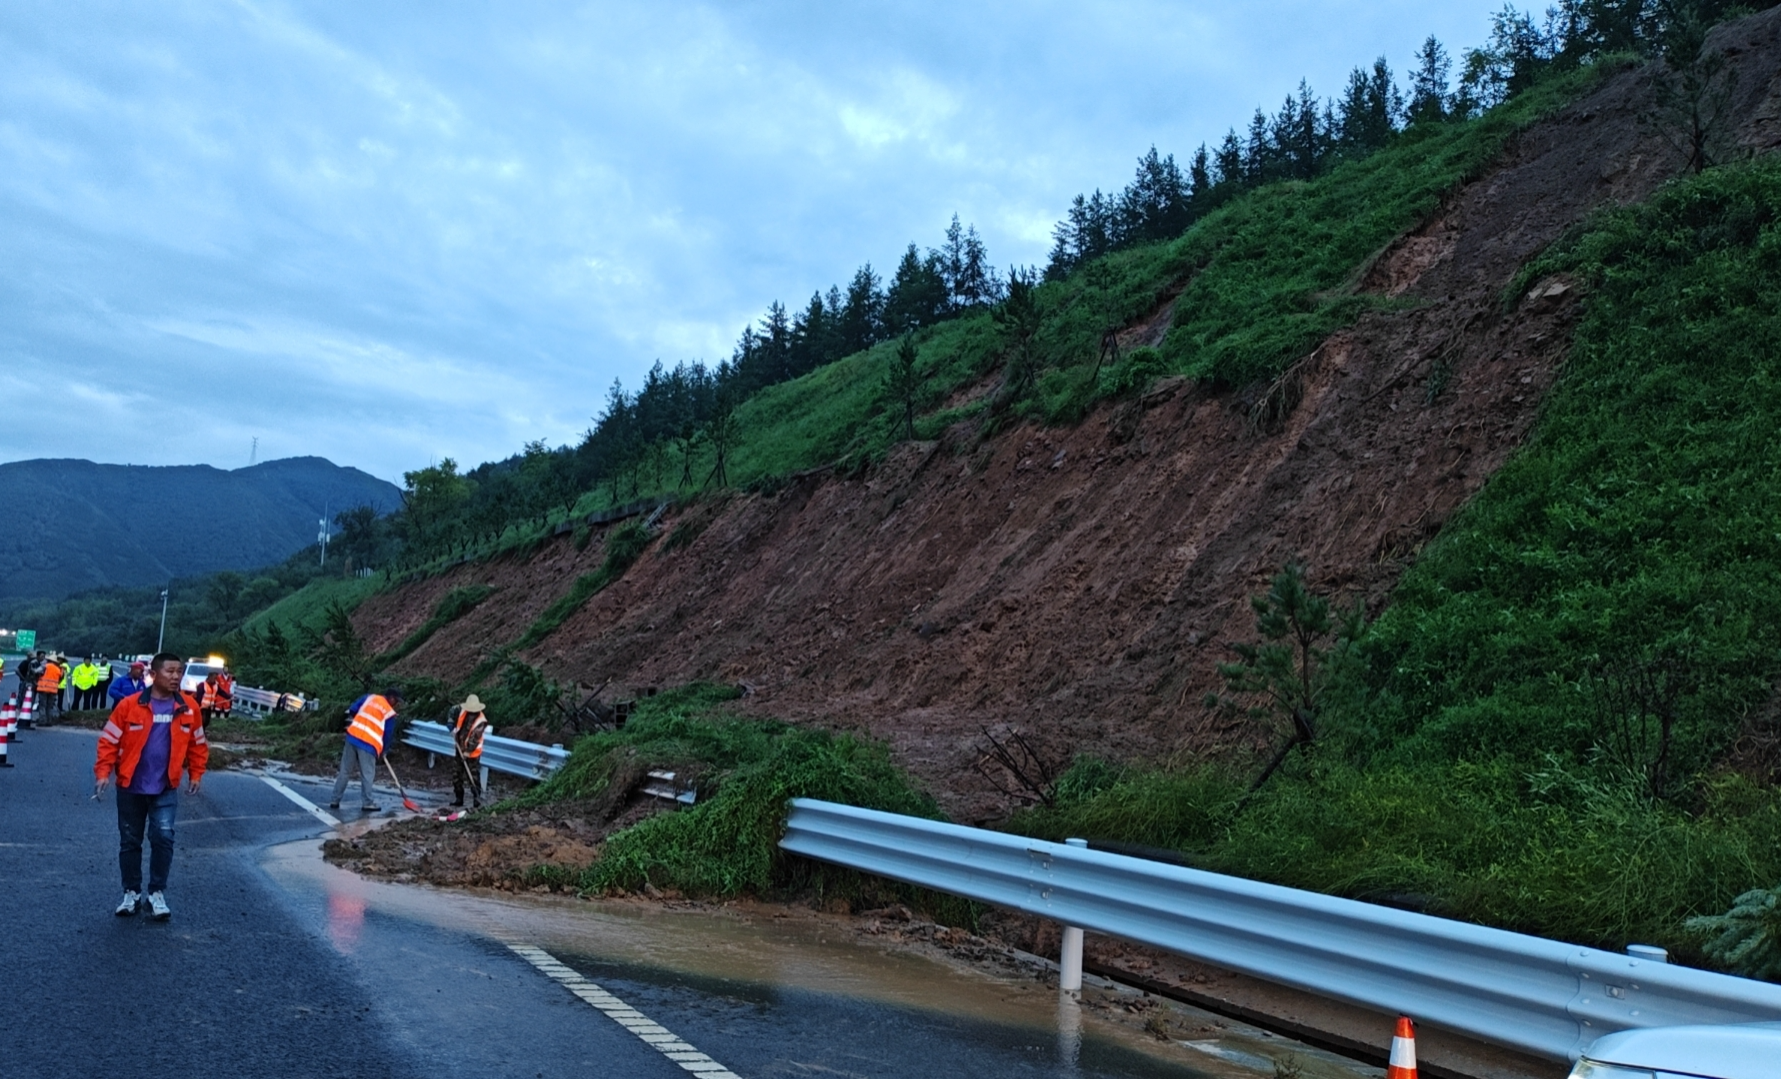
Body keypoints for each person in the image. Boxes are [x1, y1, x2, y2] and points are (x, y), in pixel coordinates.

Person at [94, 653, 207, 920]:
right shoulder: (129, 706)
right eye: (170, 671)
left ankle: (156, 893)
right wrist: (103, 773)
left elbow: (198, 744)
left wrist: (196, 774)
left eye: (179, 672)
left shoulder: (189, 707)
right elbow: (108, 741)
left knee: (163, 837)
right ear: (153, 675)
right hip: (130, 785)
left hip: (165, 787)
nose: (176, 677)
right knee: (130, 840)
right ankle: (131, 893)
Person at [329, 687, 404, 812]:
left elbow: (353, 709)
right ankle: (367, 802)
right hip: (368, 744)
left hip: (352, 737)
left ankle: (334, 800)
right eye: (396, 701)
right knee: (367, 774)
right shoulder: (389, 712)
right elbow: (388, 734)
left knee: (345, 771)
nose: (396, 704)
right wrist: (384, 750)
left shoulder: (369, 698)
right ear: (391, 698)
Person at [448, 694, 491, 808]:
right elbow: (452, 710)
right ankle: (459, 798)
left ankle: (476, 799)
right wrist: (450, 722)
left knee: (473, 775)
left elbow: (474, 738)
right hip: (459, 747)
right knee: (456, 774)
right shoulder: (462, 711)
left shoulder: (480, 721)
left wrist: (467, 752)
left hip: (472, 753)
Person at [35, 653, 63, 720]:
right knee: (49, 706)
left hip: (43, 688)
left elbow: (36, 672)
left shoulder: (45, 666)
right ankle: (49, 720)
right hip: (53, 690)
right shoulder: (58, 669)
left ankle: (42, 720)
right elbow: (61, 677)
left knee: (42, 705)